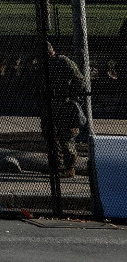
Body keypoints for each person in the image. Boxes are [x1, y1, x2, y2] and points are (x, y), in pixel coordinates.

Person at [39, 42, 87, 178]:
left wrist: (70, 95)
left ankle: (69, 168)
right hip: (49, 106)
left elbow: (80, 81)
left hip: (65, 105)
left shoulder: (64, 62)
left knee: (66, 137)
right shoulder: (43, 66)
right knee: (50, 136)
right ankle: (57, 166)